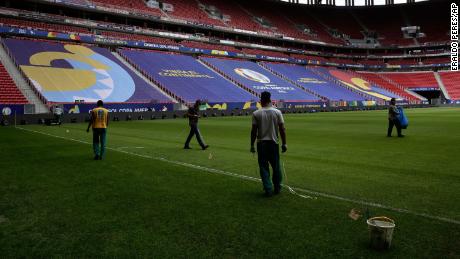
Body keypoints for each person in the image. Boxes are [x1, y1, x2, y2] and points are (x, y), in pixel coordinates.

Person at [250, 91, 287, 197]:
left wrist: (252, 145)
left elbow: (253, 131)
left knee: (263, 167)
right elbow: (282, 129)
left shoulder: (256, 113)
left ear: (261, 100)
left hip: (261, 144)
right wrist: (284, 143)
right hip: (273, 143)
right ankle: (277, 187)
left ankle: (268, 188)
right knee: (276, 167)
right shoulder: (277, 112)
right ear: (270, 100)